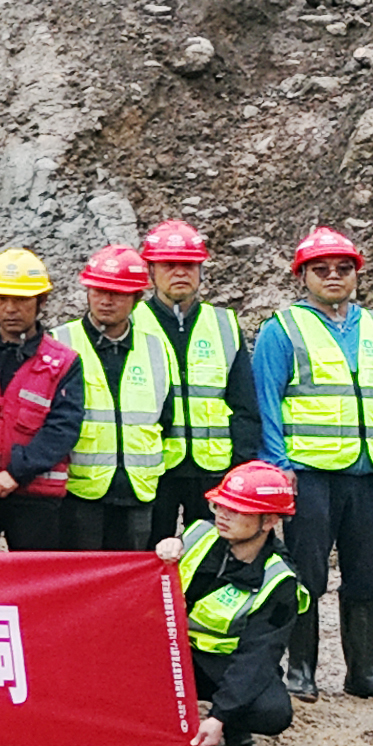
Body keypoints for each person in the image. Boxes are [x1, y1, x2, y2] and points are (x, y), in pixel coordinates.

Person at [253, 226, 373, 706]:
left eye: (343, 269)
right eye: (321, 269)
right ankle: (300, 669)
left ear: (356, 274)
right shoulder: (283, 330)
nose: (333, 276)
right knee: (306, 574)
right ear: (303, 276)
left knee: (368, 576)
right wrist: (277, 465)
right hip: (310, 475)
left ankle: (363, 671)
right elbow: (267, 402)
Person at [161, 460, 314, 746]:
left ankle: (235, 725)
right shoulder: (198, 535)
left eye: (237, 510)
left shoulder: (279, 581)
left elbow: (257, 658)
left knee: (271, 711)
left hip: (223, 664)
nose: (223, 516)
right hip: (171, 652)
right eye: (219, 506)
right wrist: (163, 550)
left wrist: (220, 716)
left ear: (269, 521)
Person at [56, 245, 171, 553]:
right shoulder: (61, 342)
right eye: (98, 291)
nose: (106, 300)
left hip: (137, 492)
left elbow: (165, 418)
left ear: (136, 298)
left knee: (128, 586)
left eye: (117, 293)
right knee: (83, 581)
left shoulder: (156, 349)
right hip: (80, 492)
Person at [140, 218, 251, 536]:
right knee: (153, 553)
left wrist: (241, 465)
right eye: (169, 265)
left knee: (209, 555)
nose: (179, 272)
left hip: (213, 469)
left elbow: (244, 404)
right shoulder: (134, 323)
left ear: (201, 270)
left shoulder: (224, 325)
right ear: (151, 272)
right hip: (154, 467)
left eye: (188, 265)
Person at [0, 249, 82, 551]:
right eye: (1, 299)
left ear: (41, 301)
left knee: (35, 586)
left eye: (20, 300)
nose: (9, 309)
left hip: (35, 495)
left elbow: (63, 429)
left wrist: (15, 474)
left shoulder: (63, 362)